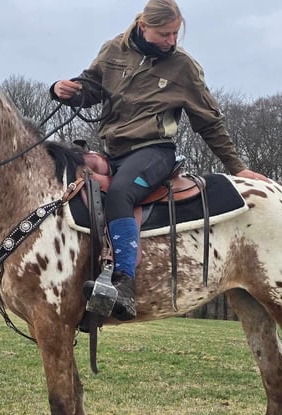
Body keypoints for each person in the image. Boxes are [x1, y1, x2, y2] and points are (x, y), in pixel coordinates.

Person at [51, 0, 270, 321]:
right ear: (144, 27)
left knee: (122, 193)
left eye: (175, 33)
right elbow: (90, 88)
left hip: (155, 152)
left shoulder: (183, 67)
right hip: (113, 152)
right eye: (164, 34)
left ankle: (123, 283)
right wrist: (63, 90)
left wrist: (237, 168)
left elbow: (208, 122)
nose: (172, 40)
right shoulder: (113, 50)